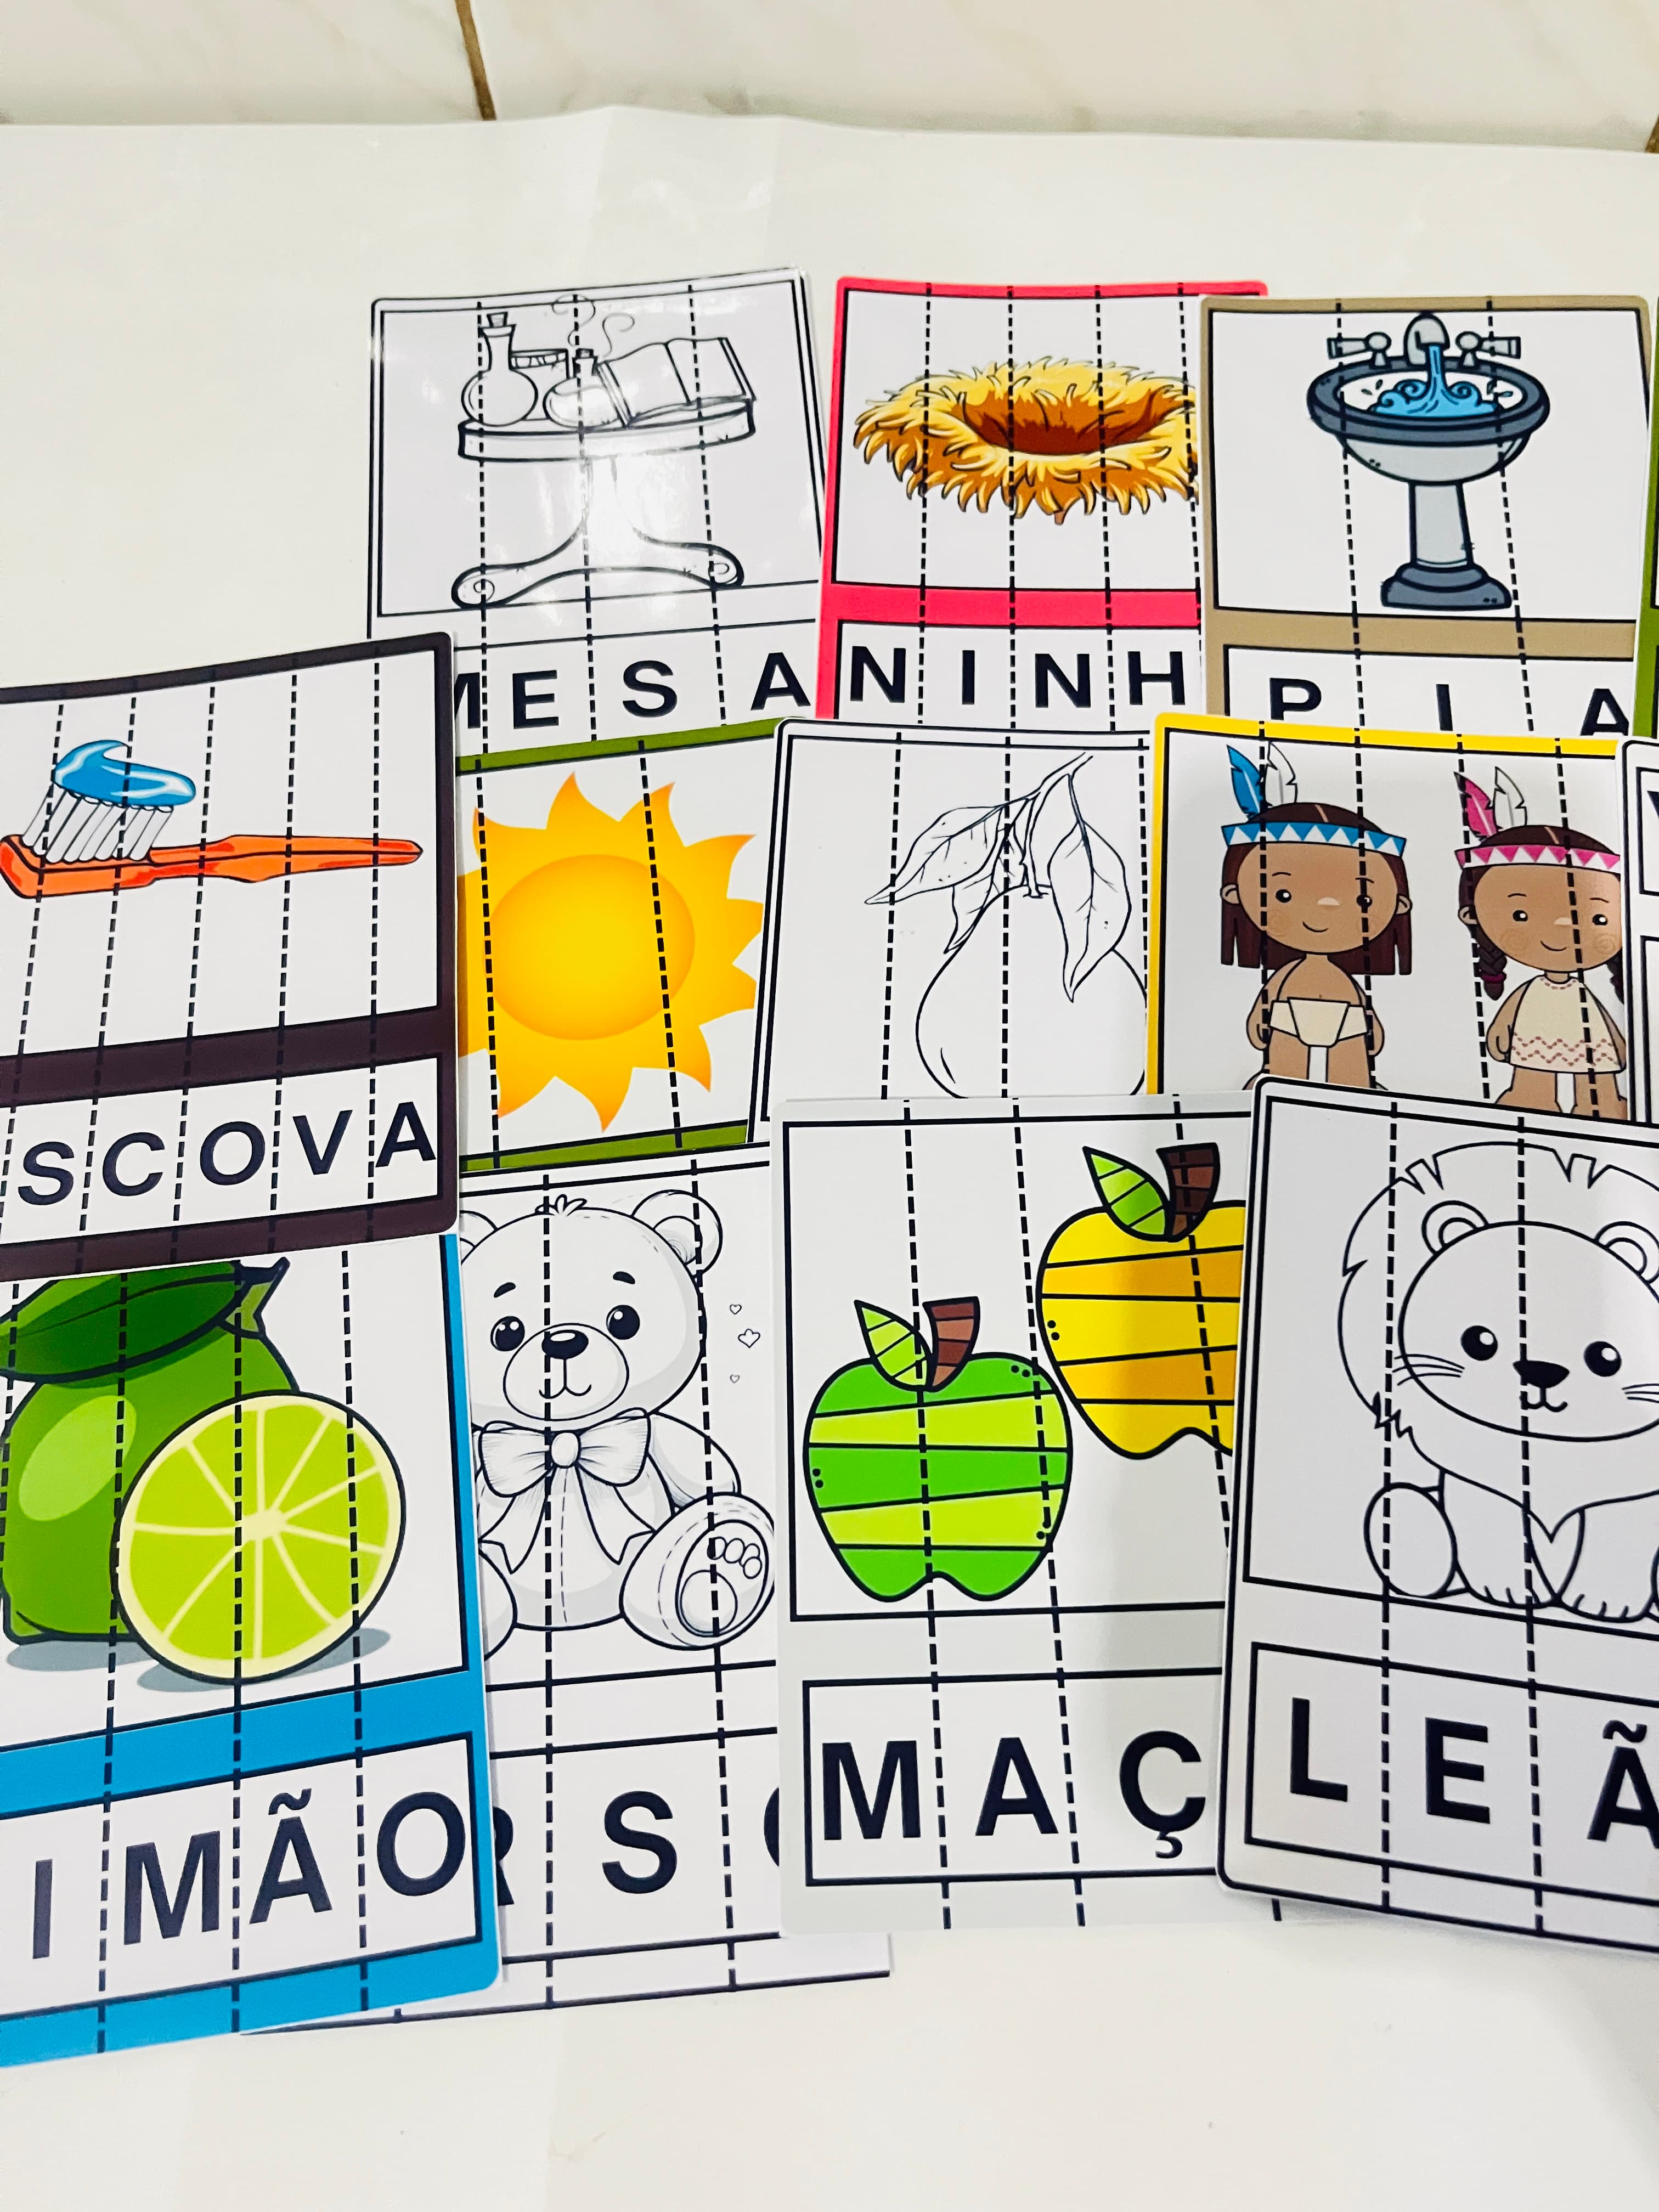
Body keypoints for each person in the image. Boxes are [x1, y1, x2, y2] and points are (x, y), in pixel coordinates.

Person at [1218, 746, 1412, 1090]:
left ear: (1399, 905)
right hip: (1288, 1015)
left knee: (1351, 1070)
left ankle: (1359, 1097)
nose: (1326, 906)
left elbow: (1362, 1002)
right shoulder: (1287, 975)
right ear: (1234, 894)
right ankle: (1277, 1091)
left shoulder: (1345, 981)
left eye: (1362, 898)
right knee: (1286, 1068)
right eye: (1284, 895)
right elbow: (1270, 994)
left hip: (1348, 1018)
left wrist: (1373, 1024)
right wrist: (1260, 1014)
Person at [1455, 769, 1626, 1119]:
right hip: (1536, 1032)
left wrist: (1618, 1044)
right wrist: (1501, 1028)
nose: (1563, 926)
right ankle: (1530, 1099)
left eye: (1598, 918)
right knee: (1533, 1073)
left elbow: (1604, 1021)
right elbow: (1510, 1012)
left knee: (1596, 1073)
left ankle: (1601, 1105)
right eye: (1521, 915)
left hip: (1587, 1036)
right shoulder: (1531, 992)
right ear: (1473, 916)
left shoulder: (1582, 994)